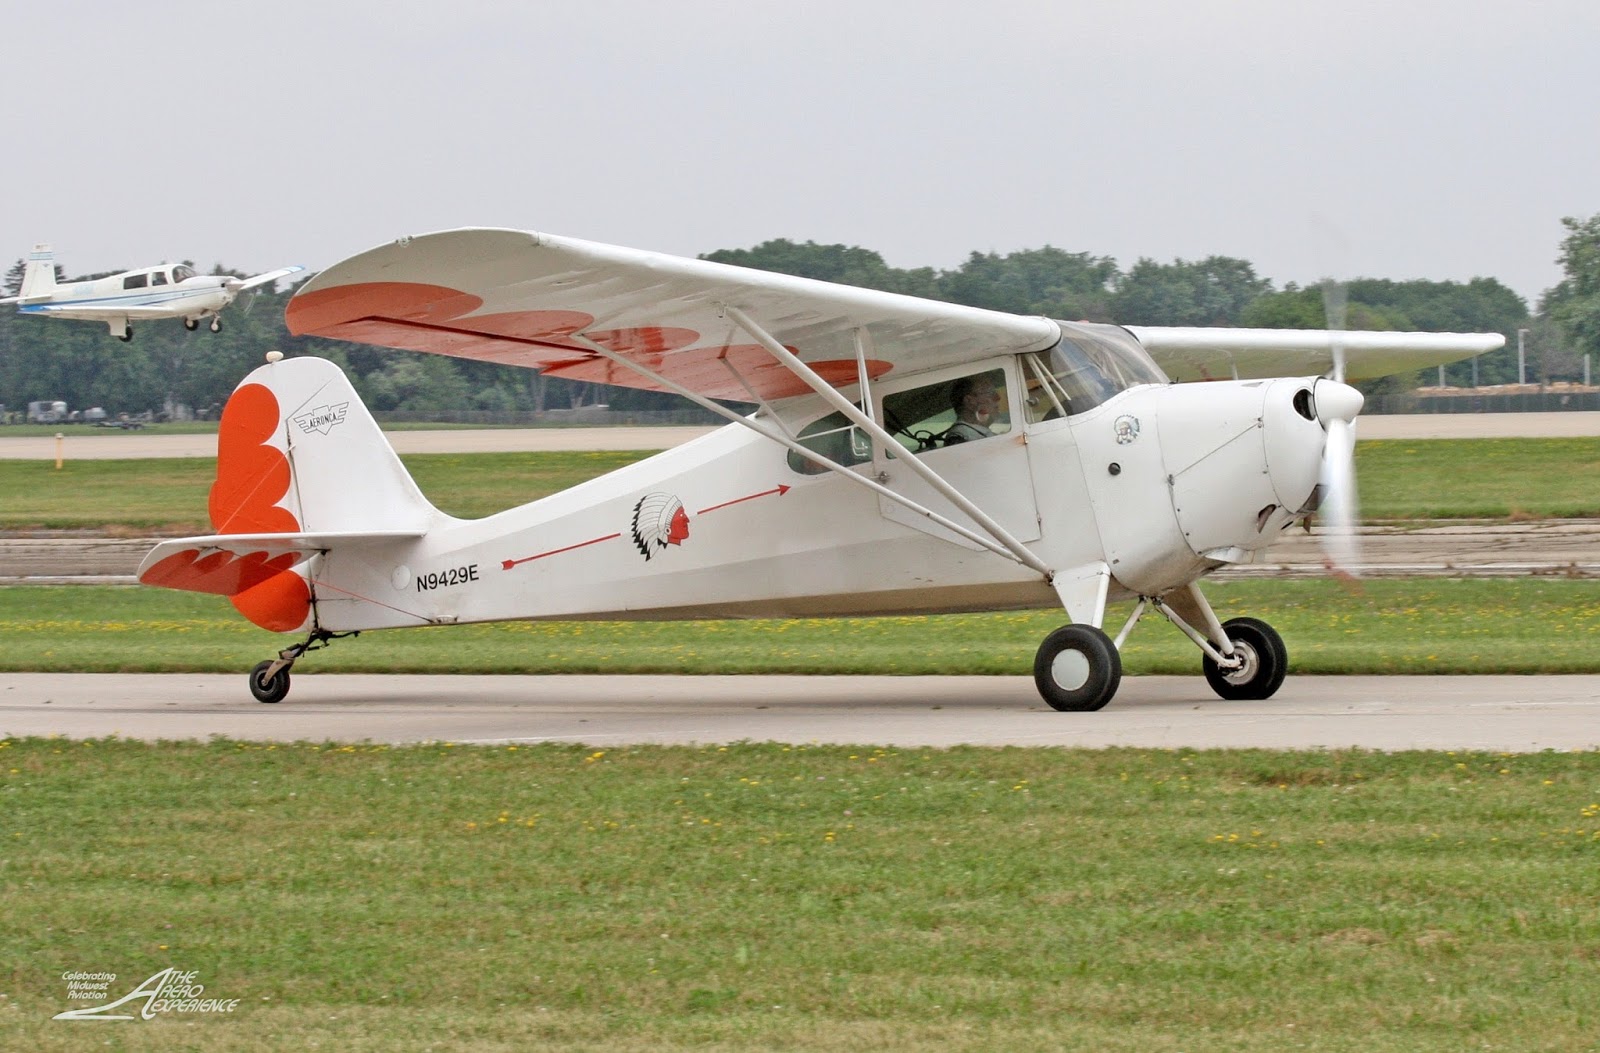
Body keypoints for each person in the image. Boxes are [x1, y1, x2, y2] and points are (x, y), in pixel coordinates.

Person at [944, 375, 1003, 444]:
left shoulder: (972, 434)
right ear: (969, 401)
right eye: (990, 393)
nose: (998, 397)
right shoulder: (960, 438)